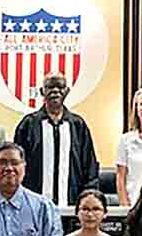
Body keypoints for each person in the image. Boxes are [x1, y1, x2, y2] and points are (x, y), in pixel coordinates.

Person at [13, 72, 99, 207]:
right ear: (42, 91)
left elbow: (90, 168)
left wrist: (87, 203)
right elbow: (17, 166)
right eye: (50, 87)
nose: (55, 91)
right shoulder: (28, 125)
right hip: (33, 207)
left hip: (72, 208)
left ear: (67, 91)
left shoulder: (78, 125)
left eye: (60, 87)